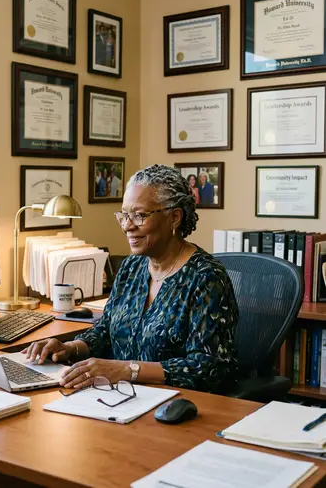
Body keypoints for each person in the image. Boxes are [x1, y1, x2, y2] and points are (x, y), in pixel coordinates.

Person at [24, 164, 238, 394]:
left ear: (174, 217)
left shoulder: (206, 277)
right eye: (124, 215)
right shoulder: (131, 267)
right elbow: (105, 331)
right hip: (120, 397)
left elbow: (209, 368)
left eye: (139, 215)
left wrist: (127, 370)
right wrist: (70, 348)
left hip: (180, 406)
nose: (127, 226)